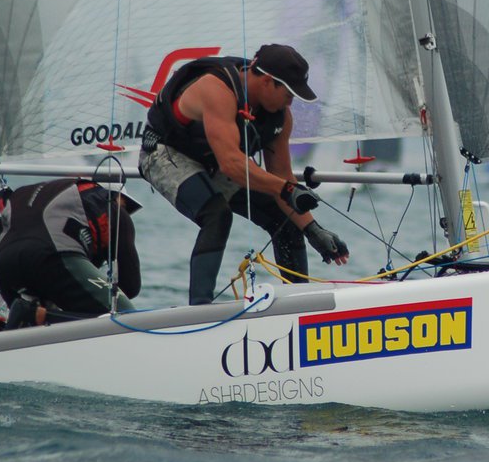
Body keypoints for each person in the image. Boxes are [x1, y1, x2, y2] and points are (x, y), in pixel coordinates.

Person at [139, 44, 349, 304]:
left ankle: (298, 303)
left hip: (215, 160)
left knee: (284, 218)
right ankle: (199, 310)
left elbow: (282, 177)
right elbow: (232, 165)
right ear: (268, 81)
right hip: (166, 152)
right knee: (216, 214)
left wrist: (313, 229)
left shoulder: (282, 117)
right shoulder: (217, 89)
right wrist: (286, 190)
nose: (290, 102)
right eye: (289, 94)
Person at [0, 179, 142, 334]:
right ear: (116, 196)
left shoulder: (53, 203)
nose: (127, 211)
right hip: (52, 259)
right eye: (127, 205)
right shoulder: (113, 208)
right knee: (125, 316)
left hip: (5, 268)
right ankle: (35, 317)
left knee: (41, 310)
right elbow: (130, 287)